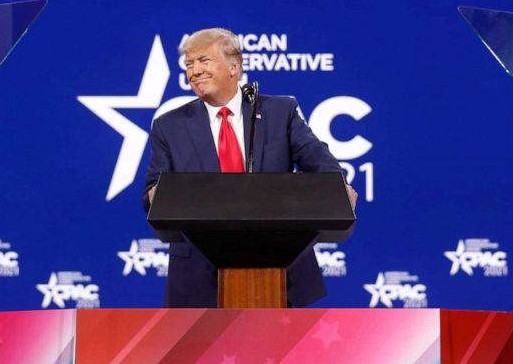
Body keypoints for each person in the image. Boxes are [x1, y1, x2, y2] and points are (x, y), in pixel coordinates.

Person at [142, 27, 357, 308]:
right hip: (197, 273)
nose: (194, 71)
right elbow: (152, 192)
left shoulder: (280, 112)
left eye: (204, 61)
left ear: (234, 66)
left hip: (279, 267)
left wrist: (338, 189)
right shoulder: (169, 125)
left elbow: (321, 164)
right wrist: (160, 197)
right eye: (189, 65)